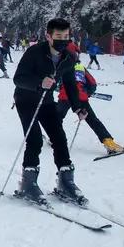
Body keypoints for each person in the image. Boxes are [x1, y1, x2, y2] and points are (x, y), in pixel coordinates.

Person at [13, 18, 88, 205]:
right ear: (48, 36)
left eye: (66, 36)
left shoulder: (68, 58)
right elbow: (18, 78)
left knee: (59, 137)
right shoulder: (34, 52)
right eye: (59, 36)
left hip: (46, 101)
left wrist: (78, 106)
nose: (63, 40)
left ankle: (66, 181)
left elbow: (70, 86)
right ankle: (28, 183)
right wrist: (39, 83)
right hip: (26, 99)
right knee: (35, 139)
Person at [57, 61, 124, 154]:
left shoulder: (61, 66)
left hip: (65, 96)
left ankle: (54, 138)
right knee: (93, 120)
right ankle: (109, 143)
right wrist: (86, 93)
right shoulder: (80, 67)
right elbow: (92, 84)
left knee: (56, 118)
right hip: (81, 96)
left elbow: (56, 83)